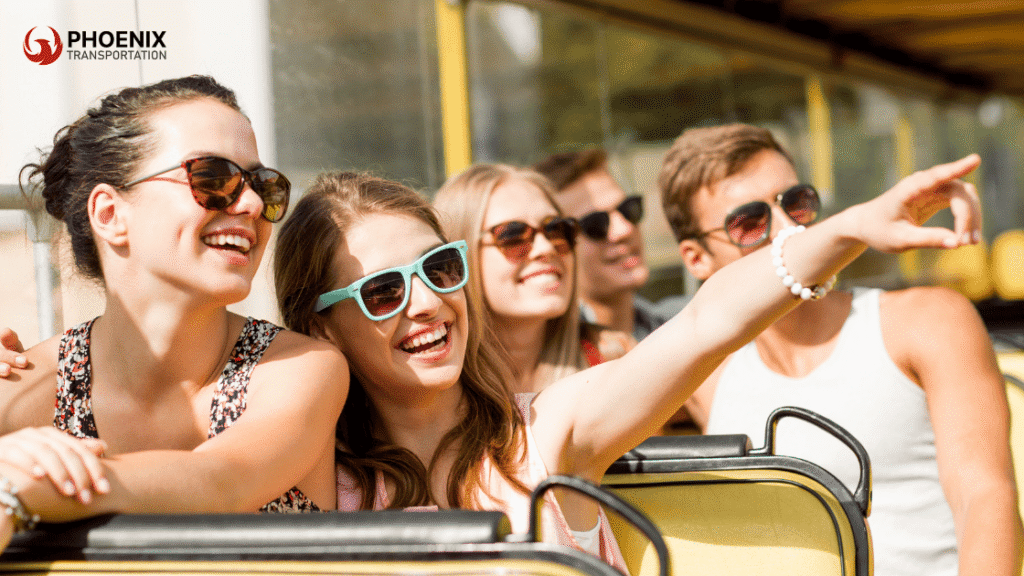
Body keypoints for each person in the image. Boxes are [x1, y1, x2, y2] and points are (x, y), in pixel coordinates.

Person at [269, 151, 981, 567]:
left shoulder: (547, 433)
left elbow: (708, 322)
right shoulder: (317, 486)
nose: (426, 303)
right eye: (385, 290)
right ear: (321, 329)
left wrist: (849, 228)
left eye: (441, 269)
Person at [0, 76, 348, 550]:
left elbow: (220, 482)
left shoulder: (300, 368)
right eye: (211, 177)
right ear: (109, 215)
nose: (250, 205)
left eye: (263, 186)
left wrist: (25, 482)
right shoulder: (21, 390)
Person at [658, 123, 1022, 576]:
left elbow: (984, 498)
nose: (789, 229)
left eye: (796, 203)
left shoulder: (925, 321)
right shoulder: (705, 373)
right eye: (750, 222)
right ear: (696, 259)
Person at [432, 164, 632, 393]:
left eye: (557, 230)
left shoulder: (616, 358)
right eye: (513, 236)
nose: (545, 248)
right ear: (459, 258)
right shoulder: (435, 390)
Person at [534, 150, 681, 342]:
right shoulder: (550, 363)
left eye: (628, 210)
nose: (624, 230)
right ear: (555, 249)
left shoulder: (681, 325)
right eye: (596, 224)